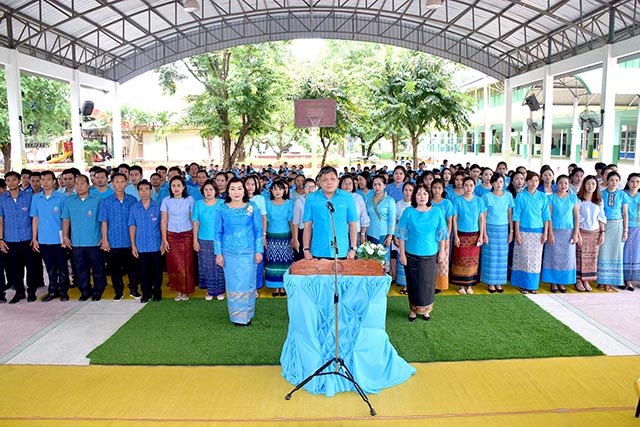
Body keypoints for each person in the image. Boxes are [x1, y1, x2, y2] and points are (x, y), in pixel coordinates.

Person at [214, 178, 264, 326]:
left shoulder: (252, 207)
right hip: (228, 253)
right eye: (233, 189)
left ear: (245, 190)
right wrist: (218, 253)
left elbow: (258, 230)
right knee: (233, 284)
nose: (236, 192)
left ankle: (247, 315)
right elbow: (217, 232)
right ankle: (236, 317)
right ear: (228, 191)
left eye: (239, 188)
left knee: (248, 283)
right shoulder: (222, 209)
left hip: (249, 253)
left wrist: (259, 251)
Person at [396, 183, 447, 322]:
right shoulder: (408, 212)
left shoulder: (436, 212)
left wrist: (442, 252)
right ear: (414, 196)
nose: (422, 196)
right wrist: (402, 254)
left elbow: (441, 234)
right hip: (411, 255)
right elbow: (402, 235)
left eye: (425, 193)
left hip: (431, 255)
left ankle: (426, 311)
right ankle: (413, 310)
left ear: (429, 195)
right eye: (418, 193)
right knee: (413, 284)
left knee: (428, 285)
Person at [62, 175, 106, 301]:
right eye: (77, 184)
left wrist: (104, 237)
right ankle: (85, 291)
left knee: (98, 268)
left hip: (94, 241)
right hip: (77, 242)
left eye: (82, 183)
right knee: (80, 269)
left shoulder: (97, 199)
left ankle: (98, 291)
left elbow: (103, 220)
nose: (79, 186)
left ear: (88, 185)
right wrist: (65, 236)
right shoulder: (70, 201)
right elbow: (66, 219)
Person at [99, 173, 141, 300]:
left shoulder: (132, 200)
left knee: (133, 268)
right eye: (117, 182)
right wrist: (105, 240)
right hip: (113, 240)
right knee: (115, 269)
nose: (119, 184)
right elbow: (104, 222)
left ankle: (133, 289)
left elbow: (135, 221)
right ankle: (118, 291)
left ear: (126, 183)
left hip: (129, 240)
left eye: (122, 181)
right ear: (112, 184)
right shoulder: (106, 202)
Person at [30, 170, 70, 302]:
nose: (45, 183)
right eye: (42, 180)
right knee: (50, 267)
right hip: (43, 239)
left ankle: (64, 291)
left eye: (48, 180)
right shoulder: (36, 198)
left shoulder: (62, 197)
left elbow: (66, 219)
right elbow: (35, 219)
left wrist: (66, 236)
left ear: (54, 182)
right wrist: (34, 238)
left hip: (58, 238)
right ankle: (53, 290)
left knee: (62, 266)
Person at [302, 166, 358, 260]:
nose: (329, 182)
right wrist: (306, 249)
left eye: (332, 179)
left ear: (337, 181)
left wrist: (353, 248)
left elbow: (352, 224)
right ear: (319, 182)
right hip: (319, 250)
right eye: (325, 180)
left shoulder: (347, 197)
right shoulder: (311, 198)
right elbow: (307, 225)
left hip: (342, 249)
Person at [512, 171, 551, 294]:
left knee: (535, 260)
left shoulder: (542, 196)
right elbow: (516, 216)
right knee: (523, 259)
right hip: (523, 231)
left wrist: (545, 233)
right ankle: (523, 284)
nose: (533, 183)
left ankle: (533, 285)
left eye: (536, 180)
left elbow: (546, 216)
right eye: (531, 180)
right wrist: (517, 233)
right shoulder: (521, 196)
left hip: (538, 232)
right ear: (526, 182)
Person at [0, 171, 36, 303]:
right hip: (10, 239)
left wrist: (34, 237)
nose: (11, 183)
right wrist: (1, 239)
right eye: (8, 180)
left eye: (14, 180)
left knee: (31, 266)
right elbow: (1, 220)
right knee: (15, 269)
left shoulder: (28, 196)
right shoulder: (2, 199)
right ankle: (19, 292)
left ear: (19, 180)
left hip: (28, 238)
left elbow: (34, 218)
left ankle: (31, 291)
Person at [541, 175, 580, 293]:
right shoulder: (551, 198)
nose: (563, 186)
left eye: (566, 183)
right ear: (556, 184)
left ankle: (562, 283)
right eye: (561, 183)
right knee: (553, 257)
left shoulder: (573, 198)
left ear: (569, 185)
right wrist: (550, 233)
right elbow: (549, 217)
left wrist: (576, 233)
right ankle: (553, 282)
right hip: (555, 231)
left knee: (567, 259)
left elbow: (576, 217)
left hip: (569, 232)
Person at [161, 176, 195, 301]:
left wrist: (195, 237)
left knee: (187, 264)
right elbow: (164, 221)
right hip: (171, 236)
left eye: (179, 185)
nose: (176, 188)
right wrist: (164, 240)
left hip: (187, 235)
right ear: (170, 187)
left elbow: (193, 219)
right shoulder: (166, 201)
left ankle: (186, 291)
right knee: (174, 264)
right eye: (173, 185)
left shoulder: (190, 200)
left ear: (183, 187)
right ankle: (178, 290)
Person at [129, 180, 164, 303]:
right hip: (140, 245)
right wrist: (133, 245)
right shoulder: (134, 207)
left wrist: (163, 243)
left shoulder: (158, 206)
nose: (144, 192)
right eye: (141, 189)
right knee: (143, 272)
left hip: (155, 245)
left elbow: (162, 226)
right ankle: (146, 293)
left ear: (151, 191)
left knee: (156, 271)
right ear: (138, 192)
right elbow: (132, 226)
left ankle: (157, 292)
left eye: (146, 189)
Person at [451, 177, 486, 294]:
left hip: (474, 235)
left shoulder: (479, 201)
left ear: (474, 187)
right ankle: (461, 285)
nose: (468, 188)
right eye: (466, 185)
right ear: (462, 186)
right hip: (461, 234)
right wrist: (455, 236)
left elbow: (481, 219)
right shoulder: (457, 201)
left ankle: (470, 284)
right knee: (460, 260)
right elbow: (454, 219)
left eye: (471, 185)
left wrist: (481, 235)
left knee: (472, 261)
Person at [481, 173, 514, 293]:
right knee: (490, 256)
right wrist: (484, 233)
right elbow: (483, 217)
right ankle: (490, 282)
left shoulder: (508, 196)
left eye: (501, 181)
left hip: (503, 229)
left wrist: (511, 231)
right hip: (490, 229)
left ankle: (499, 282)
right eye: (496, 182)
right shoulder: (486, 196)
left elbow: (510, 215)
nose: (499, 184)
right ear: (492, 183)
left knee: (502, 257)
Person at [192, 179, 225, 300]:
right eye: (206, 189)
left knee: (219, 265)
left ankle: (220, 290)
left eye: (211, 189)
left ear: (215, 190)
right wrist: (195, 240)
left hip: (219, 240)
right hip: (203, 239)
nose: (208, 192)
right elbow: (195, 223)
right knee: (206, 266)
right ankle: (209, 291)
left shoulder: (222, 203)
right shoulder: (198, 204)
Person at [597, 171, 629, 292]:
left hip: (618, 226)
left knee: (616, 253)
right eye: (611, 180)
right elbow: (600, 213)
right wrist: (601, 230)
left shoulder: (622, 195)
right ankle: (601, 280)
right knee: (603, 253)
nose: (614, 183)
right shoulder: (601, 194)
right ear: (607, 181)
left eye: (616, 180)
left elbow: (625, 213)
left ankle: (610, 282)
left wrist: (625, 230)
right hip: (605, 226)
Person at [576, 175, 606, 292]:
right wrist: (577, 234)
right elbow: (576, 217)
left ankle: (587, 280)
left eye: (593, 184)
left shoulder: (599, 201)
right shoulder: (578, 199)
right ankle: (579, 279)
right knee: (580, 256)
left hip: (595, 232)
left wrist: (602, 232)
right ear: (584, 185)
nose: (590, 186)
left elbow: (601, 217)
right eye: (588, 184)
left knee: (592, 257)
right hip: (582, 231)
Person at [265, 179, 294, 297]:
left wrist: (294, 237)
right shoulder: (267, 203)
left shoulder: (289, 203)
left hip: (285, 236)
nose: (278, 192)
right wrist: (264, 237)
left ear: (284, 190)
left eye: (280, 189)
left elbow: (291, 220)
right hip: (271, 236)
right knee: (273, 261)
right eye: (275, 189)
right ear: (271, 190)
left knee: (285, 262)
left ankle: (283, 286)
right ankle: (274, 286)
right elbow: (265, 221)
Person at [365, 175, 397, 269]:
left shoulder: (390, 200)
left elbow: (392, 219)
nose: (377, 187)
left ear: (384, 186)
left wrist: (390, 235)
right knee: (371, 261)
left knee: (383, 261)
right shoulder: (368, 200)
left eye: (379, 184)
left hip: (384, 235)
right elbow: (366, 217)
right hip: (370, 234)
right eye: (375, 185)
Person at [244, 175, 267, 290]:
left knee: (257, 259)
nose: (250, 187)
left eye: (253, 184)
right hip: (243, 235)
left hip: (257, 234)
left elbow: (264, 217)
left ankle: (256, 286)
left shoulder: (260, 199)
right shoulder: (239, 198)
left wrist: (263, 235)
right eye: (247, 184)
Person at [430, 179, 453, 293]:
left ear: (443, 189)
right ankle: (431, 283)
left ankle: (440, 284)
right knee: (431, 260)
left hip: (443, 237)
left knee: (442, 260)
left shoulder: (447, 203)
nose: (437, 190)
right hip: (430, 236)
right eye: (434, 187)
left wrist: (447, 237)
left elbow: (449, 221)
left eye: (439, 188)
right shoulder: (428, 202)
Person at [394, 182, 415, 295]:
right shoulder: (398, 204)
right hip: (402, 237)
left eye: (410, 190)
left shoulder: (416, 205)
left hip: (413, 238)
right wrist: (395, 236)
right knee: (402, 259)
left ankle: (412, 285)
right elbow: (396, 221)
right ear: (402, 191)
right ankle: (405, 285)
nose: (408, 192)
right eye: (406, 190)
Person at [339, 174, 369, 245]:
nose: (347, 185)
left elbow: (363, 216)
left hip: (356, 233)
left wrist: (362, 234)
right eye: (345, 183)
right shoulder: (336, 199)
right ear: (340, 185)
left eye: (350, 183)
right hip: (340, 234)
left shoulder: (358, 198)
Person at [291, 178, 316, 261]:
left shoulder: (319, 201)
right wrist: (295, 239)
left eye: (312, 187)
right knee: (302, 259)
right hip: (303, 232)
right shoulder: (299, 201)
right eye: (307, 187)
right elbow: (295, 222)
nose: (309, 189)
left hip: (316, 233)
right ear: (304, 188)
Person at [623, 173, 640, 290]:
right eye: (633, 181)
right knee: (625, 253)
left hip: (638, 228)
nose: (635, 184)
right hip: (626, 227)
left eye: (638, 181)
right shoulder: (623, 195)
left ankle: (635, 278)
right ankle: (626, 279)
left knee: (637, 254)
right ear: (628, 182)